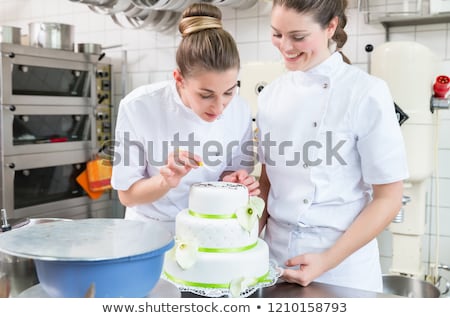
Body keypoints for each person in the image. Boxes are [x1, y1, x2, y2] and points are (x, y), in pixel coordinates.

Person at [256, 0, 409, 292]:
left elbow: (388, 198)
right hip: (273, 262)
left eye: (298, 37)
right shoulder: (270, 96)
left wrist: (327, 260)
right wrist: (246, 242)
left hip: (341, 268)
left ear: (330, 27)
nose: (285, 46)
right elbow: (267, 182)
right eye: (277, 34)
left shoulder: (366, 92)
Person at [111, 3, 259, 235]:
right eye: (206, 95)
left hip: (210, 228)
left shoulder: (239, 109)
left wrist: (235, 181)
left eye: (229, 91)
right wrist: (165, 180)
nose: (219, 107)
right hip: (149, 231)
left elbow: (230, 173)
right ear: (179, 79)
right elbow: (127, 195)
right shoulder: (139, 107)